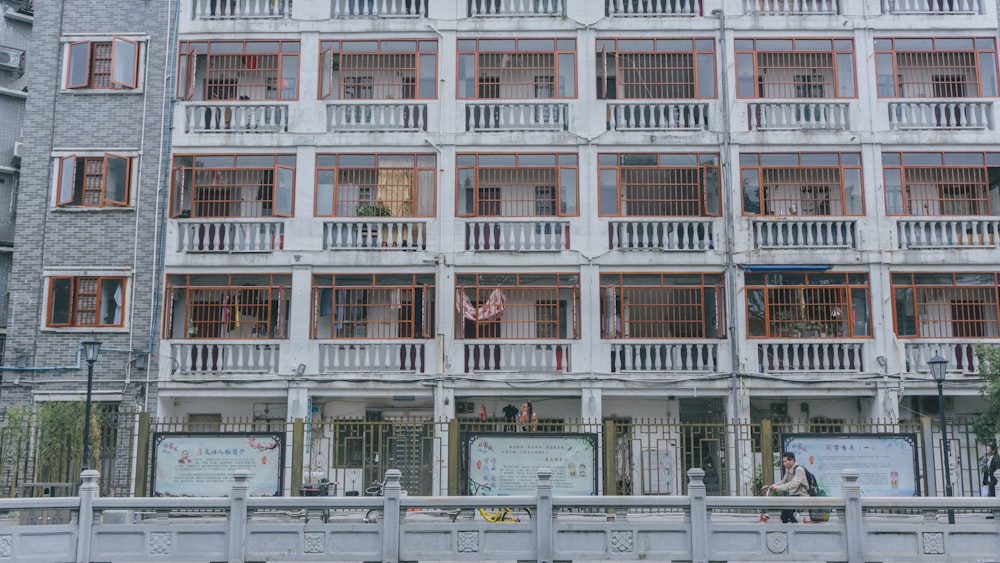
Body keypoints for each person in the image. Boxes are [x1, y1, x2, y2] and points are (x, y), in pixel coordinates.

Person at [763, 451, 809, 523]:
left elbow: (794, 484)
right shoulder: (789, 470)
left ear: (792, 461)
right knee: (784, 516)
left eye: (785, 461)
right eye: (783, 462)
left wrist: (778, 488)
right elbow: (783, 481)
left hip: (801, 495)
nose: (784, 464)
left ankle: (795, 530)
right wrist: (771, 486)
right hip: (793, 496)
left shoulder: (799, 470)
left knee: (787, 514)